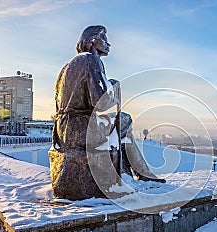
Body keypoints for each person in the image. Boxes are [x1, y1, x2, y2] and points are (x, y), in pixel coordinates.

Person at [49, 25, 164, 200]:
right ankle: (140, 172)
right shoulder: (91, 60)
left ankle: (135, 172)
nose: (108, 44)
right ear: (92, 41)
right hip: (78, 128)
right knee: (125, 120)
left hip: (63, 130)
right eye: (104, 39)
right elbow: (100, 103)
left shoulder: (67, 66)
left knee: (122, 121)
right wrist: (113, 86)